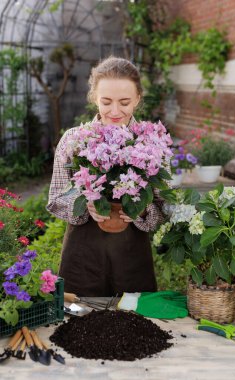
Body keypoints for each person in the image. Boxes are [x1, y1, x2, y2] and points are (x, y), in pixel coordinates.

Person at [46, 56, 165, 297]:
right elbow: (56, 199)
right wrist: (84, 206)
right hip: (82, 259)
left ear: (138, 99)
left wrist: (143, 211)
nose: (114, 111)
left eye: (124, 102)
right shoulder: (73, 140)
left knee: (136, 326)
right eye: (106, 101)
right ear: (94, 99)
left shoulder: (152, 144)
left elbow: (163, 207)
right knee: (75, 324)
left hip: (133, 259)